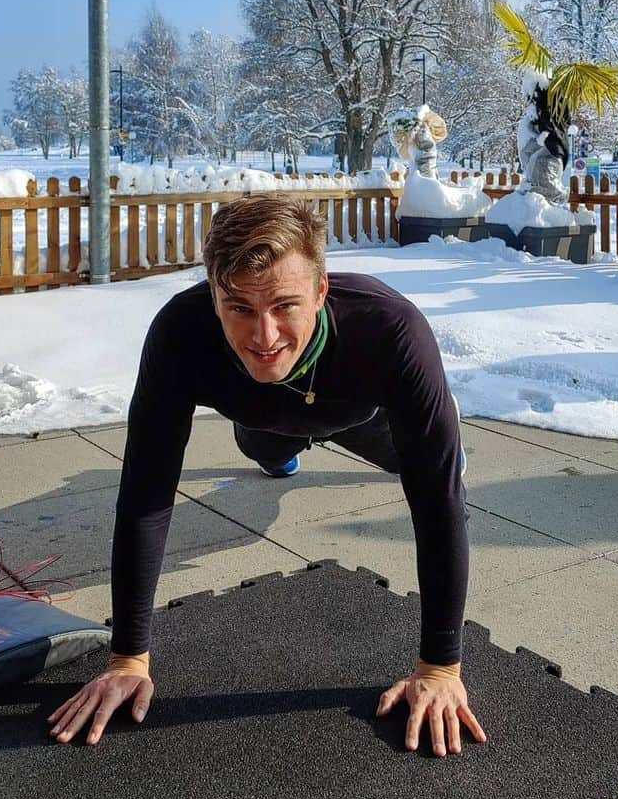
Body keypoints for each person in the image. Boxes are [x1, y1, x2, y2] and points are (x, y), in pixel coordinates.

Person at [48, 195, 486, 758]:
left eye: (284, 305)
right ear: (212, 294)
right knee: (264, 446)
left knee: (429, 468)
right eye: (239, 309)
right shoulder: (179, 332)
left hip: (362, 413)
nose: (264, 333)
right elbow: (146, 494)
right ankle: (282, 455)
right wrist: (129, 658)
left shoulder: (391, 328)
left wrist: (440, 667)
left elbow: (439, 506)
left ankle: (431, 437)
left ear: (321, 290)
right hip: (259, 418)